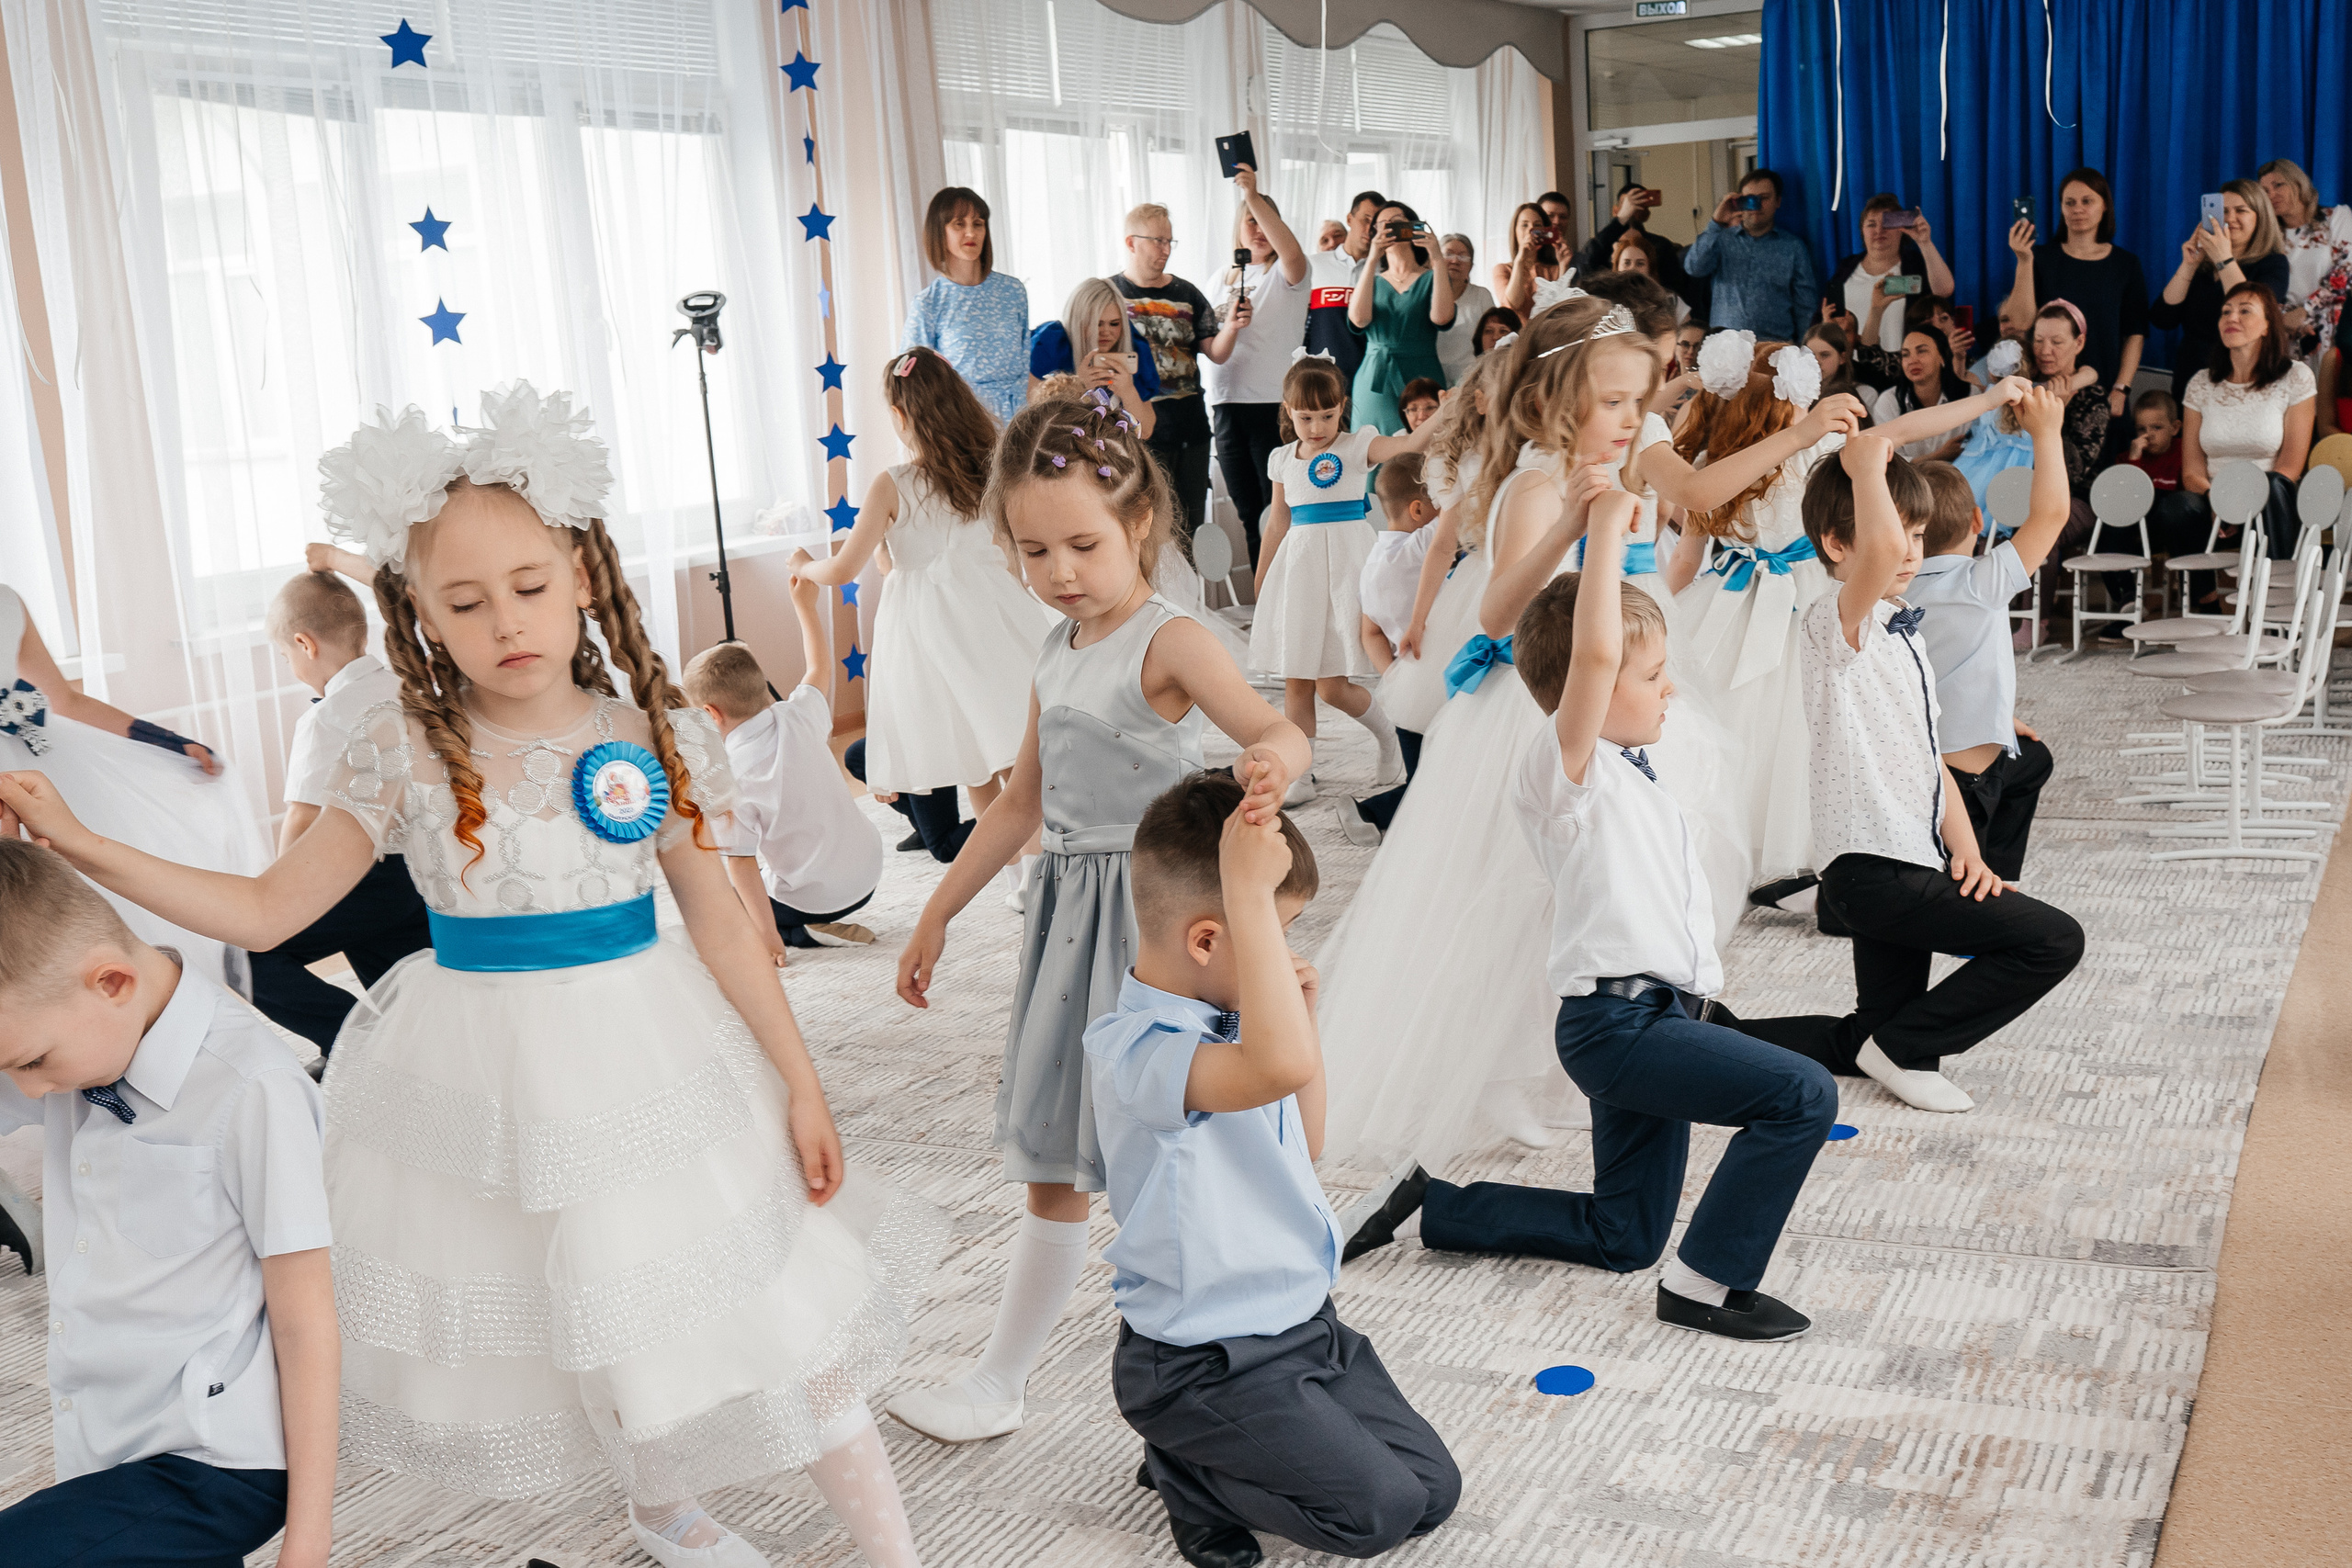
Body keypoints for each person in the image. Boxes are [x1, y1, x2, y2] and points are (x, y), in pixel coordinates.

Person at [0, 385, 944, 1568]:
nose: (506, 621)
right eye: (465, 601)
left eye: (531, 587)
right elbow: (265, 906)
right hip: (479, 1071)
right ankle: (663, 1504)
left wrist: (798, 1081)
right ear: (419, 618)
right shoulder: (394, 745)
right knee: (585, 1312)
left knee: (770, 1313)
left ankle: (894, 1553)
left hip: (645, 1047)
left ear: (584, 576)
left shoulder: (651, 730)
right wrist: (83, 840)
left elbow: (720, 927)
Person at [886, 390, 1311, 1447]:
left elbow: (1273, 726)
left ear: (1139, 528)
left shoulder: (1170, 638)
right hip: (1066, 929)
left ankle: (1260, 1341)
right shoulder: (1054, 648)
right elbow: (1022, 803)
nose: (1060, 571)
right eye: (1034, 551)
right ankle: (1002, 1377)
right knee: (1054, 1156)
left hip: (1156, 928)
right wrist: (938, 909)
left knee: (1183, 1149)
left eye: (1081, 543)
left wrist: (1270, 763)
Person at [1357, 491, 1836, 1344]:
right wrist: (1605, 535)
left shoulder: (1635, 772)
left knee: (1627, 1235)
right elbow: (1592, 655)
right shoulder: (1564, 771)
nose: (1669, 689)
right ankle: (1705, 1284)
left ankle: (1439, 1202)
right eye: (1651, 677)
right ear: (1589, 680)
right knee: (1803, 1093)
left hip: (1660, 1018)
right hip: (1616, 1028)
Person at [1311, 299, 1657, 1186]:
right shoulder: (1538, 483)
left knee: (1576, 893)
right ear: (1557, 397)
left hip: (1588, 700)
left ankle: (1549, 1061)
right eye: (1613, 401)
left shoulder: (1601, 475)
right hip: (1525, 709)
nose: (1631, 420)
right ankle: (1499, 1070)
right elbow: (1500, 611)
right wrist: (1571, 530)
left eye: (1638, 401)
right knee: (1513, 892)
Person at [1096, 773, 1459, 1567]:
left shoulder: (1244, 1028)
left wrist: (1304, 1014)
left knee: (1432, 1491)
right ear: (1207, 940)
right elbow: (1275, 1066)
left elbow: (1312, 1134)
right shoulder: (1138, 1050)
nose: (1287, 951)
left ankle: (1211, 1454)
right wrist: (1256, 926)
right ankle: (1185, 1465)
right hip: (1201, 1362)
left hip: (1304, 1327)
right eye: (1275, 928)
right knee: (1377, 1515)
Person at [0, 840, 338, 1568]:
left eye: (31, 1063)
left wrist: (308, 1544)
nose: (28, 1091)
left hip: (215, 1458)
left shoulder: (253, 1089)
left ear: (113, 982)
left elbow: (307, 1321)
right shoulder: (72, 1034)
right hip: (103, 1443)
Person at [1743, 438, 2084, 1114]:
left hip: (1909, 858)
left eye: (1920, 536)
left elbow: (1931, 761)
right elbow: (1874, 558)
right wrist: (1868, 469)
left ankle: (1715, 1033)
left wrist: (1968, 851)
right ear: (1838, 546)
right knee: (2054, 939)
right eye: (1894, 534)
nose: (1908, 551)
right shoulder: (1832, 624)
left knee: (1869, 1034)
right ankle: (1902, 1050)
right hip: (1874, 871)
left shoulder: (1905, 632)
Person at [1662, 335, 2018, 898]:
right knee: (1813, 732)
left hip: (1726, 607)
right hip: (1809, 598)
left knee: (1739, 730)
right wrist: (1988, 398)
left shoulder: (1714, 464)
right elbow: (1908, 430)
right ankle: (1811, 857)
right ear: (1787, 399)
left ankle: (1735, 854)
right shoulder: (1817, 450)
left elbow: (1685, 560)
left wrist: (1663, 619)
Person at [796, 348, 1059, 895]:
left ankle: (1023, 874)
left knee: (975, 757)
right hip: (988, 610)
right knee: (1007, 743)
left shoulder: (892, 484)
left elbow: (844, 565)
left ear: (901, 415)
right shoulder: (993, 466)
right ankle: (1030, 870)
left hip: (928, 628)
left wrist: (804, 565)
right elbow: (1003, 554)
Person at [0, 582, 266, 997]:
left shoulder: (7, 601)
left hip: (46, 766)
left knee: (106, 894)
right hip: (13, 780)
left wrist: (166, 741)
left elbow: (66, 700)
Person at [247, 570, 430, 1055]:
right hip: (426, 870)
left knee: (245, 956)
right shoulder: (409, 686)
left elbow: (301, 822)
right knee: (398, 977)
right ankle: (407, 1046)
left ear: (304, 645)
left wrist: (282, 897)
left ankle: (356, 1043)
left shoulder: (325, 717)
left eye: (285, 656)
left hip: (367, 877)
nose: (290, 665)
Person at [1249, 355, 1421, 802]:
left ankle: (1388, 734)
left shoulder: (1356, 445)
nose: (1317, 426)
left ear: (1343, 406)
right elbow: (1277, 521)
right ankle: (1300, 771)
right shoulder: (1282, 459)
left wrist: (1445, 418)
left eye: (1327, 414)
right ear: (1288, 410)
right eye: (1306, 417)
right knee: (1298, 676)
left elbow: (1403, 446)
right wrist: (1264, 574)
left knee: (1334, 687)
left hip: (1348, 566)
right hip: (1299, 571)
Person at [1909, 422, 2069, 885]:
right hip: (1963, 775)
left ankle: (2001, 873)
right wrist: (2047, 432)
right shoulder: (1979, 582)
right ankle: (1995, 880)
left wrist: (1995, 715)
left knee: (2034, 761)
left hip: (1946, 751)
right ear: (1978, 522)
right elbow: (2052, 514)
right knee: (1954, 887)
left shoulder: (1893, 594)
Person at [686, 597, 884, 956]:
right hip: (870, 870)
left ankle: (802, 931)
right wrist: (804, 605)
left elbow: (741, 862)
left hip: (820, 898)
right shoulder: (800, 714)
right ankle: (805, 919)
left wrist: (766, 935)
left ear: (710, 714)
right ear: (761, 685)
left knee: (720, 902)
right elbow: (818, 667)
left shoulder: (729, 778)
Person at [1117, 202, 1246, 540]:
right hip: (1134, 433)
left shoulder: (1187, 294)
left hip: (1190, 429)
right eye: (1157, 241)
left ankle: (1190, 595)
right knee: (1142, 532)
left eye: (1170, 242)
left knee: (1189, 530)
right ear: (1131, 243)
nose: (1165, 250)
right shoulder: (1109, 296)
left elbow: (1215, 353)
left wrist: (1231, 326)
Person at [1204, 165, 1311, 569]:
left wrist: (1252, 196)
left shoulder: (1288, 274)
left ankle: (1290, 599)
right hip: (1225, 407)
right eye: (1250, 221)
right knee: (1250, 513)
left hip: (1270, 406)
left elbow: (1294, 252)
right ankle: (1263, 603)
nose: (1259, 229)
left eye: (1266, 220)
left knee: (1278, 512)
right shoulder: (1219, 278)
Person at [1340, 454, 1442, 844]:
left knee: (1424, 776)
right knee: (1433, 783)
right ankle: (1370, 812)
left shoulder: (1374, 563)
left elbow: (1370, 633)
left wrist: (1394, 677)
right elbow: (1462, 517)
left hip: (1405, 686)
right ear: (1419, 509)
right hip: (1434, 685)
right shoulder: (1419, 546)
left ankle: (1371, 814)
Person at [1998, 167, 2150, 424]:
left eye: (2087, 201)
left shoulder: (2126, 264)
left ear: (2104, 207)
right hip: (2045, 391)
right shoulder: (2041, 259)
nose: (2077, 209)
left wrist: (2121, 387)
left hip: (2103, 392)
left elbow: (2135, 332)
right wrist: (2024, 260)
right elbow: (2021, 322)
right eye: (2069, 202)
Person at [2179, 281, 2316, 559]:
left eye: (2245, 311)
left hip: (2270, 498)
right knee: (2178, 509)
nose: (2231, 317)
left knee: (2276, 486)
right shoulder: (2200, 382)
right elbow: (2192, 471)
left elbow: (2290, 466)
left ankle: (2279, 591)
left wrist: (2245, 499)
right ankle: (2203, 599)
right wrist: (2219, 499)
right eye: (2225, 311)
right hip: (2213, 500)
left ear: (2267, 326)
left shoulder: (2296, 376)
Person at [2152, 178, 2292, 401]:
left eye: (2241, 211)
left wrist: (2223, 258)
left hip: (2242, 379)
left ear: (2260, 217)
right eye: (2223, 211)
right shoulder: (2203, 266)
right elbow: (2162, 318)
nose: (2229, 218)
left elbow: (2253, 312)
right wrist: (2189, 266)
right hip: (2192, 377)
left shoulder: (2273, 264)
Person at [903, 186, 1031, 422]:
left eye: (978, 223)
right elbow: (913, 383)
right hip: (963, 427)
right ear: (940, 232)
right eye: (959, 224)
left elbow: (1024, 363)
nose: (971, 233)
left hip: (1019, 425)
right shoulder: (928, 303)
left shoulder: (1013, 291)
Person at [1347, 201, 1455, 434]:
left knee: (1424, 448)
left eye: (1396, 222)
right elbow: (1358, 320)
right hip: (1376, 377)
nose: (1389, 229)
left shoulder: (1430, 278)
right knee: (1373, 445)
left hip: (1422, 374)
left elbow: (1442, 317)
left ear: (1413, 226)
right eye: (1382, 225)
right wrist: (1372, 258)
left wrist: (1436, 256)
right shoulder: (1372, 281)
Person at [1685, 169, 1819, 344]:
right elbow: (1694, 268)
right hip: (1725, 347)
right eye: (1749, 199)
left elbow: (1805, 307)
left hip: (1774, 349)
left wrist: (1805, 351)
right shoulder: (1721, 240)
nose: (1756, 205)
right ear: (1740, 201)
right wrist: (1716, 222)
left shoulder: (1794, 247)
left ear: (1777, 201)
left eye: (1764, 198)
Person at [1030, 276, 1160, 437]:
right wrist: (1079, 387)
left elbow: (1145, 432)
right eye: (1097, 323)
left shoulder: (1135, 347)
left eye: (1114, 323)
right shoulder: (1053, 345)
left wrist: (1128, 391)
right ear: (1078, 322)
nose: (1106, 331)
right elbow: (1034, 423)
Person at [1828, 195, 1955, 350]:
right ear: (1862, 230)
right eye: (1871, 224)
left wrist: (1924, 242)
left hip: (1906, 365)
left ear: (1902, 229)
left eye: (1887, 224)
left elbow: (1944, 290)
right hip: (1854, 366)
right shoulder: (1846, 267)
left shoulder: (1915, 265)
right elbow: (1829, 317)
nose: (1879, 230)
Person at [1580, 182, 1702, 318]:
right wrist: (1621, 219)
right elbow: (1587, 266)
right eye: (1626, 262)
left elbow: (1675, 291)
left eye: (1640, 263)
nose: (1632, 268)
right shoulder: (1602, 248)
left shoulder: (1661, 246)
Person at [1309, 190, 1385, 382]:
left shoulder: (1388, 271)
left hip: (1372, 381)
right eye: (1365, 220)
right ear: (1350, 219)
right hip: (1321, 382)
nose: (1370, 229)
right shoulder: (1313, 265)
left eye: (1378, 224)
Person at [1872, 323, 1973, 462]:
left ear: (1942, 357)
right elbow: (1890, 461)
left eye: (1922, 351)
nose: (1913, 360)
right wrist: (1938, 456)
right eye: (1905, 355)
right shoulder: (1889, 402)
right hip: (1908, 482)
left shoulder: (1970, 394)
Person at [1433, 232, 1497, 385]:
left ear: (1471, 266)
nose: (1455, 261)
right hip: (1431, 377)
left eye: (1463, 257)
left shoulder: (1481, 295)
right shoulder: (1425, 295)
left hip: (1471, 379)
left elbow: (1491, 341)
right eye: (1448, 254)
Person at [1494, 201, 1570, 318]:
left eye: (1537, 225)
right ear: (1515, 231)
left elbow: (1560, 309)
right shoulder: (1503, 270)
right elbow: (1513, 304)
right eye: (1525, 225)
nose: (1531, 230)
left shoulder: (1554, 270)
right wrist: (1520, 260)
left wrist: (1563, 265)